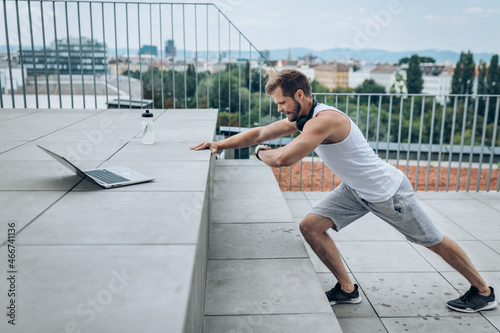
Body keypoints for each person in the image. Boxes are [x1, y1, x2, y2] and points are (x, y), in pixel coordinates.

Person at [190, 68, 496, 313]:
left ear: (300, 94)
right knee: (311, 227)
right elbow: (260, 132)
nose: (281, 109)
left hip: (388, 194)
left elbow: (283, 158)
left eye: (282, 103)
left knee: (434, 241)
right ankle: (347, 289)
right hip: (356, 190)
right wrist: (219, 144)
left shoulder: (325, 120)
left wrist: (260, 153)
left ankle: (484, 292)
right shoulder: (303, 117)